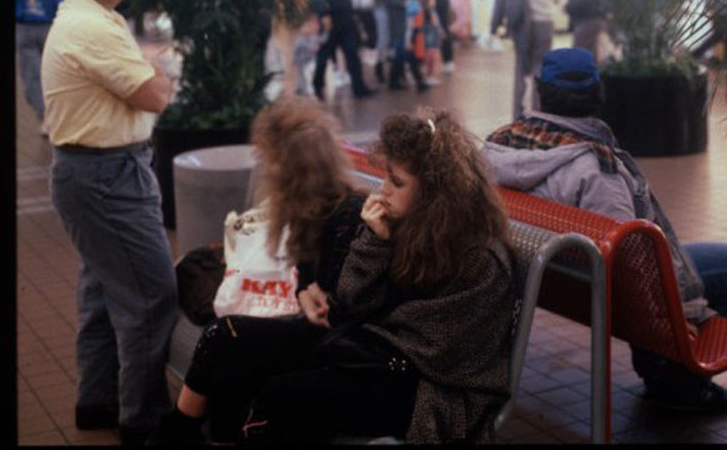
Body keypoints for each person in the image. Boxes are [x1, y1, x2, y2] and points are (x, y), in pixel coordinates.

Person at [152, 106, 519, 444]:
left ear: (436, 192)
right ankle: (178, 436)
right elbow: (350, 305)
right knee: (229, 338)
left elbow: (439, 352)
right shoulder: (402, 223)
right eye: (385, 178)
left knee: (282, 394)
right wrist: (373, 243)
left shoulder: (481, 258)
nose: (384, 189)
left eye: (396, 182)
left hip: (429, 386)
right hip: (373, 349)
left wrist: (352, 318)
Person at [481, 47, 727, 414]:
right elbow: (631, 265)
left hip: (554, 279)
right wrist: (675, 319)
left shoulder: (497, 144)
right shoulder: (596, 168)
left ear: (540, 93)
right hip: (608, 293)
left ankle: (663, 370)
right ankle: (679, 384)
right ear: (598, 96)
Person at [40, 0, 178, 445]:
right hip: (107, 176)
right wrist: (157, 72)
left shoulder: (93, 17)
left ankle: (97, 402)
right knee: (150, 295)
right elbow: (156, 95)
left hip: (91, 172)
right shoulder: (91, 27)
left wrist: (149, 70)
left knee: (103, 291)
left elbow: (144, 83)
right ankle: (144, 421)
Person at [491, 0, 563, 120]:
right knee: (540, 68)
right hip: (544, 23)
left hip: (522, 24)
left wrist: (495, 25)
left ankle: (518, 113)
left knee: (521, 69)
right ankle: (538, 112)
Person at [309, 0, 377, 100]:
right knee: (324, 54)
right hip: (330, 19)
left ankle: (359, 87)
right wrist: (323, 14)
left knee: (352, 52)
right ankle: (318, 87)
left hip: (345, 17)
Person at [15, 0, 64, 135]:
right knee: (54, 73)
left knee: (31, 77)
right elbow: (60, 1)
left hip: (23, 28)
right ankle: (57, 114)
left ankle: (45, 117)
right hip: (48, 28)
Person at [380, 0, 429, 92]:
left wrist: (419, 2)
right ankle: (417, 80)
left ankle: (395, 80)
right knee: (403, 48)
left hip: (411, 18)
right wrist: (402, 3)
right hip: (398, 18)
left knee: (404, 49)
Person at [365, 0, 395, 84]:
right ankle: (379, 65)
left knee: (390, 36)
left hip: (393, 7)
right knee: (383, 36)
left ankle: (388, 63)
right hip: (380, 6)